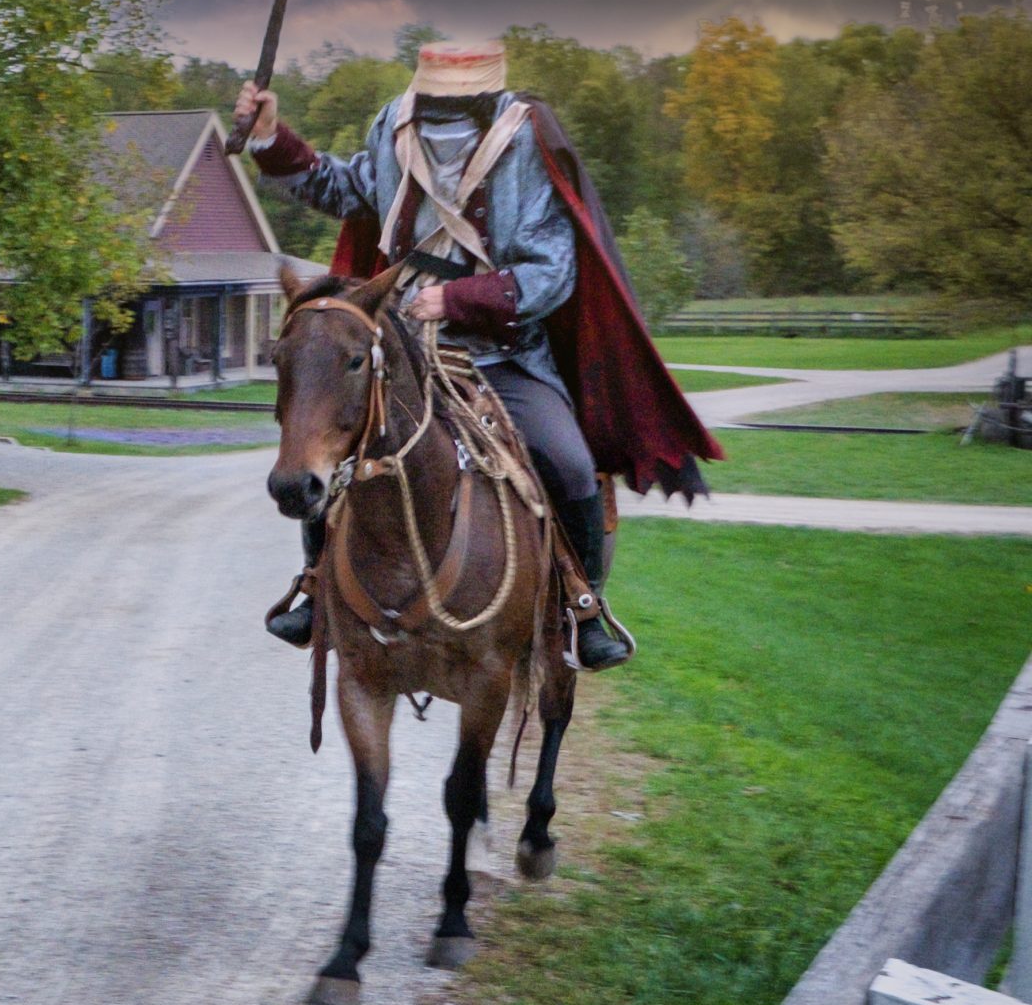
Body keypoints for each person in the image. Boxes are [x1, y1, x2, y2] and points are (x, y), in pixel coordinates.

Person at [234, 38, 718, 672]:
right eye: (432, 104)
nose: (437, 117)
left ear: (487, 100)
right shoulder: (394, 125)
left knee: (570, 467)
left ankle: (582, 608)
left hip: (502, 355)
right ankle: (318, 584)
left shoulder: (526, 140)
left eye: (450, 108)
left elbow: (552, 272)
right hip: (400, 349)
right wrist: (273, 140)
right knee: (329, 441)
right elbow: (345, 190)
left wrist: (456, 299)